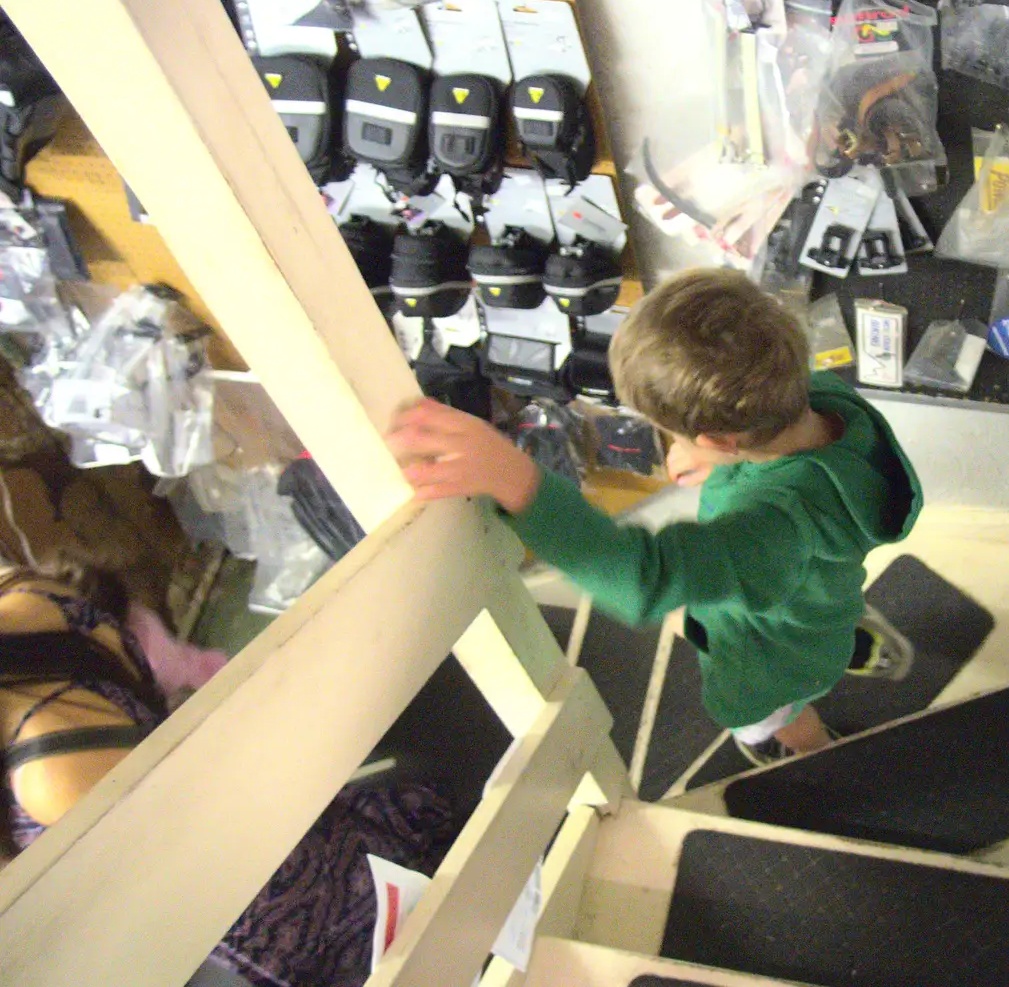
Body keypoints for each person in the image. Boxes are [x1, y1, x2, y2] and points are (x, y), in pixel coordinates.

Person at [388, 268, 923, 764]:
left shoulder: (774, 526)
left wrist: (516, 479)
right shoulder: (820, 396)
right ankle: (846, 646)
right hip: (819, 597)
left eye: (678, 436)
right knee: (815, 614)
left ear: (722, 439)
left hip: (772, 656)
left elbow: (648, 577)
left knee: (762, 714)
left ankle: (812, 750)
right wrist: (715, 455)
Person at [0, 563, 456, 987]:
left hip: (278, 908)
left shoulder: (52, 773)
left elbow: (193, 882)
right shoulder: (29, 596)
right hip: (293, 832)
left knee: (414, 939)